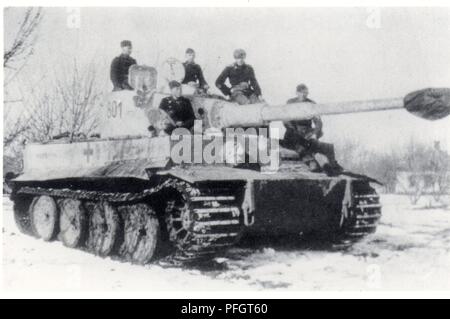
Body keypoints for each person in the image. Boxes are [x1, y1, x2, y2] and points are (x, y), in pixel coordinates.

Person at [281, 84, 343, 175]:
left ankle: (332, 164)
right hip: (294, 132)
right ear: (297, 93)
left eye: (306, 93)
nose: (304, 95)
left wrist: (315, 133)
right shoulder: (290, 103)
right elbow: (285, 120)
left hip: (307, 132)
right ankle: (311, 162)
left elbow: (318, 122)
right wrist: (293, 130)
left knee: (327, 147)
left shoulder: (311, 104)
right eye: (302, 93)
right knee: (299, 145)